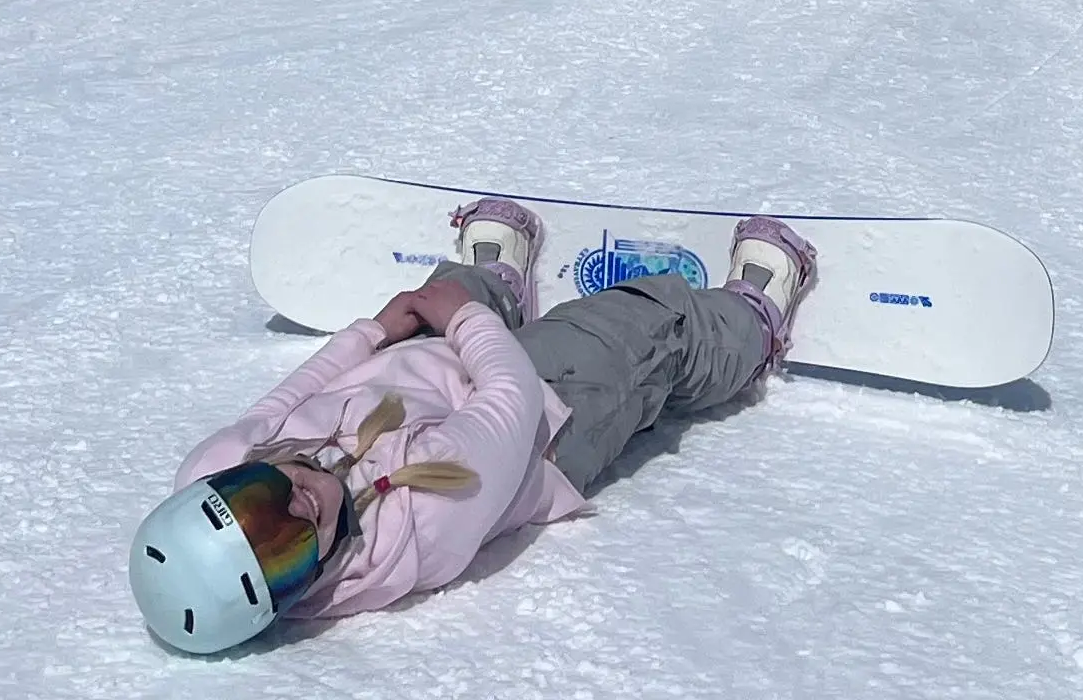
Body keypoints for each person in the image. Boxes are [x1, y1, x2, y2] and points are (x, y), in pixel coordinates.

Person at [128, 201, 818, 654]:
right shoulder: (419, 522)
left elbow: (288, 396)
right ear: (292, 594)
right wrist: (466, 323)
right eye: (284, 549)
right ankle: (746, 326)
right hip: (544, 427)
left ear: (220, 482)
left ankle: (494, 285)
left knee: (432, 306)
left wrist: (375, 330)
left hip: (416, 382)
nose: (298, 504)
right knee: (635, 335)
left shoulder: (214, 463)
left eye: (256, 499)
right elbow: (509, 400)